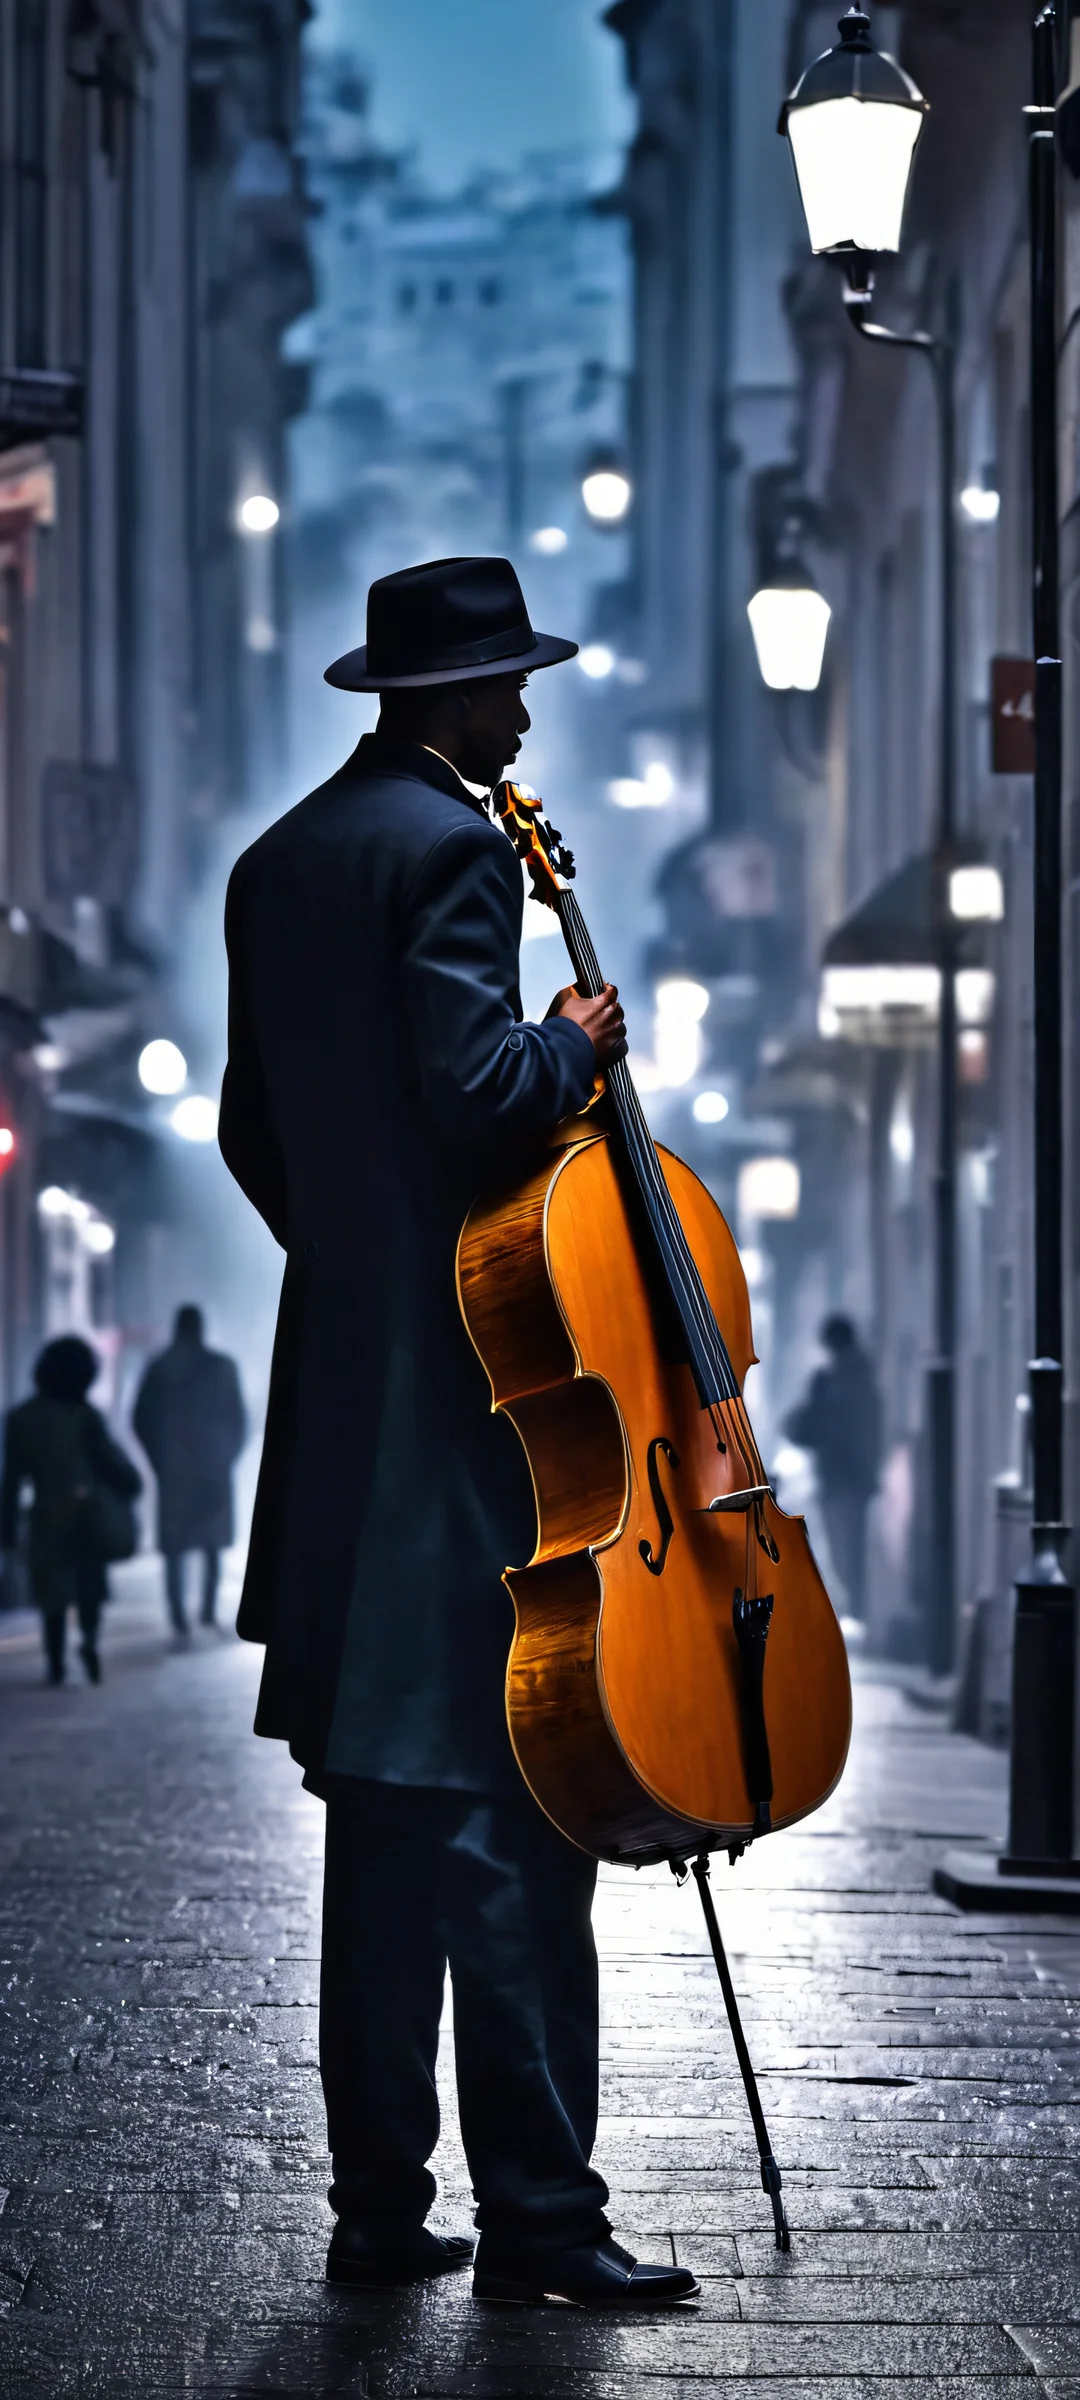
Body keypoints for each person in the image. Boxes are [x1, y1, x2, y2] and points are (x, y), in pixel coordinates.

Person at [219, 556, 698, 2310]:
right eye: (502, 686)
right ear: (441, 702)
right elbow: (470, 1094)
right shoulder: (454, 847)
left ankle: (374, 2213)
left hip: (343, 1398)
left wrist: (354, 1271)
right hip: (460, 1427)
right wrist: (569, 1047)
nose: (522, 711)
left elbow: (248, 1133)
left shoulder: (274, 864)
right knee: (510, 1830)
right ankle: (545, 2224)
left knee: (381, 1836)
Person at [0, 1334, 142, 1686]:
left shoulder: (20, 1419)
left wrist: (6, 1528)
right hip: (85, 1515)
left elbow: (12, 1479)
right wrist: (130, 1484)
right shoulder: (84, 1416)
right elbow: (112, 1466)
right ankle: (90, 1642)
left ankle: (55, 1660)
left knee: (52, 1592)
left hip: (46, 1514)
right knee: (88, 1585)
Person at [133, 1305, 247, 1637]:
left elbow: (141, 1419)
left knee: (176, 1545)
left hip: (176, 1470)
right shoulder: (223, 1368)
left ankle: (178, 1614)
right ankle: (207, 1610)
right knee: (210, 1543)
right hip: (212, 1467)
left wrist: (159, 1461)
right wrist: (227, 1457)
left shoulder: (160, 1368)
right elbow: (239, 1419)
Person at [784, 1313, 883, 1623]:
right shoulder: (857, 1378)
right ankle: (855, 1611)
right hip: (849, 1477)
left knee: (846, 1550)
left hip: (844, 1477)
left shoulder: (843, 1381)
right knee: (848, 1549)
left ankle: (855, 1612)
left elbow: (821, 1427)